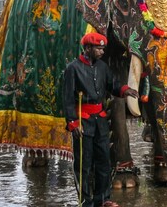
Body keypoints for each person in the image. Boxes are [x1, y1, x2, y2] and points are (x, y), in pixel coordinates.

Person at [63, 32, 139, 207]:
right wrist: (73, 123)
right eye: (98, 48)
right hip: (83, 122)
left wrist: (124, 90)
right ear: (88, 48)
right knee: (84, 165)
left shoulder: (103, 67)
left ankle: (103, 199)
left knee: (104, 162)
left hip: (100, 122)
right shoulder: (72, 69)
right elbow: (67, 99)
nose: (102, 51)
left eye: (103, 48)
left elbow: (112, 85)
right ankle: (85, 201)